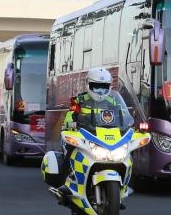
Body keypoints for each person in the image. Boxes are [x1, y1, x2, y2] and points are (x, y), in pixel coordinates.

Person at [57, 67, 134, 200]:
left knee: (127, 152)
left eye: (104, 87)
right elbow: (71, 114)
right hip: (85, 134)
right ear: (88, 85)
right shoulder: (79, 100)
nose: (100, 91)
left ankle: (123, 187)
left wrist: (130, 123)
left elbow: (123, 115)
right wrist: (70, 124)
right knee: (69, 151)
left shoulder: (113, 101)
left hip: (107, 136)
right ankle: (63, 183)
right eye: (96, 87)